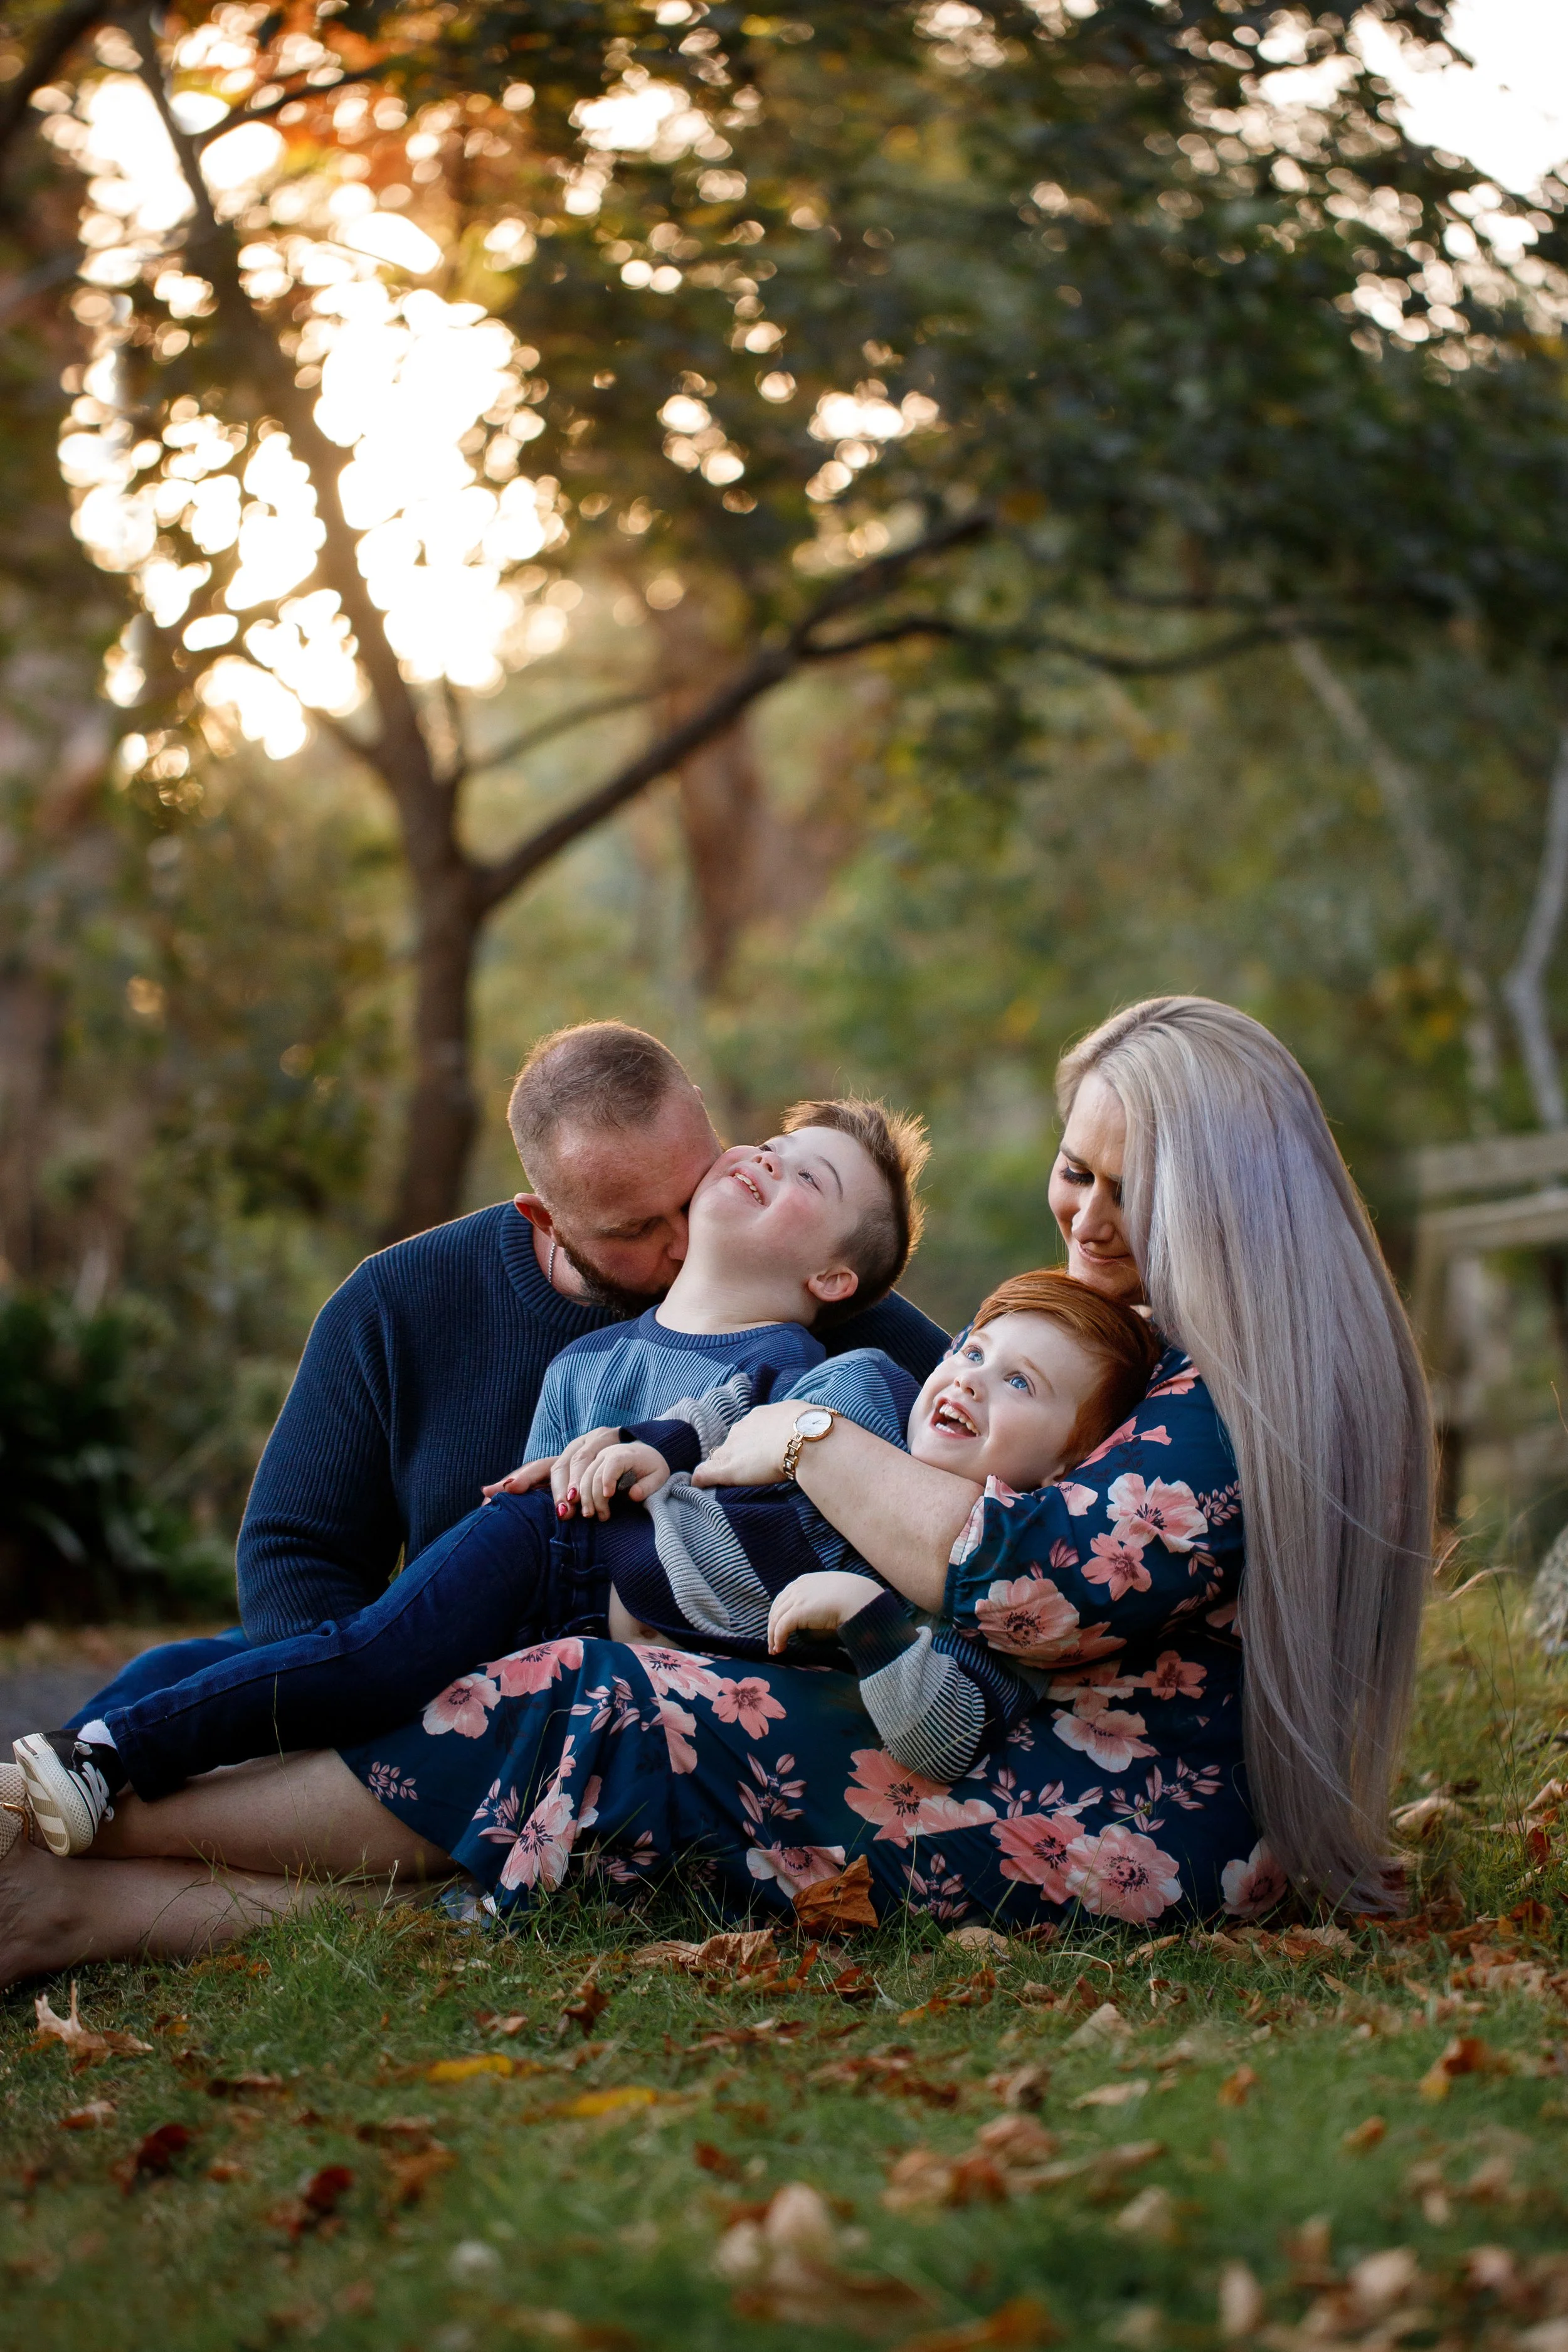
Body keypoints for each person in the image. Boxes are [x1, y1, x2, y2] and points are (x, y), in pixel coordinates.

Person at [0, 996, 1433, 1986]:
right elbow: (299, 1550)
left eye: (1137, 1186)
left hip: (1095, 1813)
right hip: (998, 1750)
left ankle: (91, 1846)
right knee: (586, 1721)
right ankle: (84, 1869)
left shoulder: (1243, 1394)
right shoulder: (1182, 1351)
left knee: (592, 1710)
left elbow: (1022, 1572)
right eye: (1074, 1171)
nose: (1089, 1216)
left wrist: (804, 1445)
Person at [65, 1023, 947, 1716]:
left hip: (642, 1689)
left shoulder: (812, 1294)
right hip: (418, 1659)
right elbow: (294, 1551)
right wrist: (371, 1700)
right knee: (180, 1677)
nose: (684, 1246)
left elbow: (984, 1407)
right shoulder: (395, 1302)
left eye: (690, 1194)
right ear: (546, 1214)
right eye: (634, 1231)